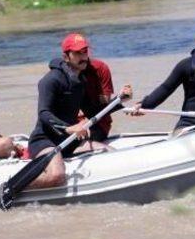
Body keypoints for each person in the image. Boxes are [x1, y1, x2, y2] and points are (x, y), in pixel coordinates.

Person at [26, 33, 132, 189]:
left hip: (68, 141)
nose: (83, 57)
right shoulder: (50, 80)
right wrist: (69, 128)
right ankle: (11, 186)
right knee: (57, 176)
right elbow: (44, 113)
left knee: (109, 152)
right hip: (44, 140)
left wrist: (119, 101)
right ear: (66, 56)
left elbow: (92, 111)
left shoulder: (80, 81)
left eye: (84, 52)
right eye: (77, 53)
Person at [79, 57, 115, 142]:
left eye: (84, 51)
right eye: (77, 53)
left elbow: (105, 102)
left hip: (97, 121)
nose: (81, 55)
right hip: (71, 123)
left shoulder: (100, 67)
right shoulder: (61, 73)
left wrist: (120, 99)